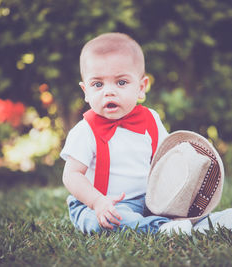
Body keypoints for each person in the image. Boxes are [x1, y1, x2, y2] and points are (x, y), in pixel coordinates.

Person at [61, 32, 192, 234]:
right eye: (98, 84)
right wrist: (97, 201)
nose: (109, 91)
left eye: (121, 82)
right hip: (99, 205)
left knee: (179, 206)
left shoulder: (151, 120)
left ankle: (205, 221)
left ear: (141, 88)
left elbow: (167, 158)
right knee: (104, 222)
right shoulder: (84, 131)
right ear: (86, 91)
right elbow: (71, 175)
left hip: (148, 200)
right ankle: (162, 229)